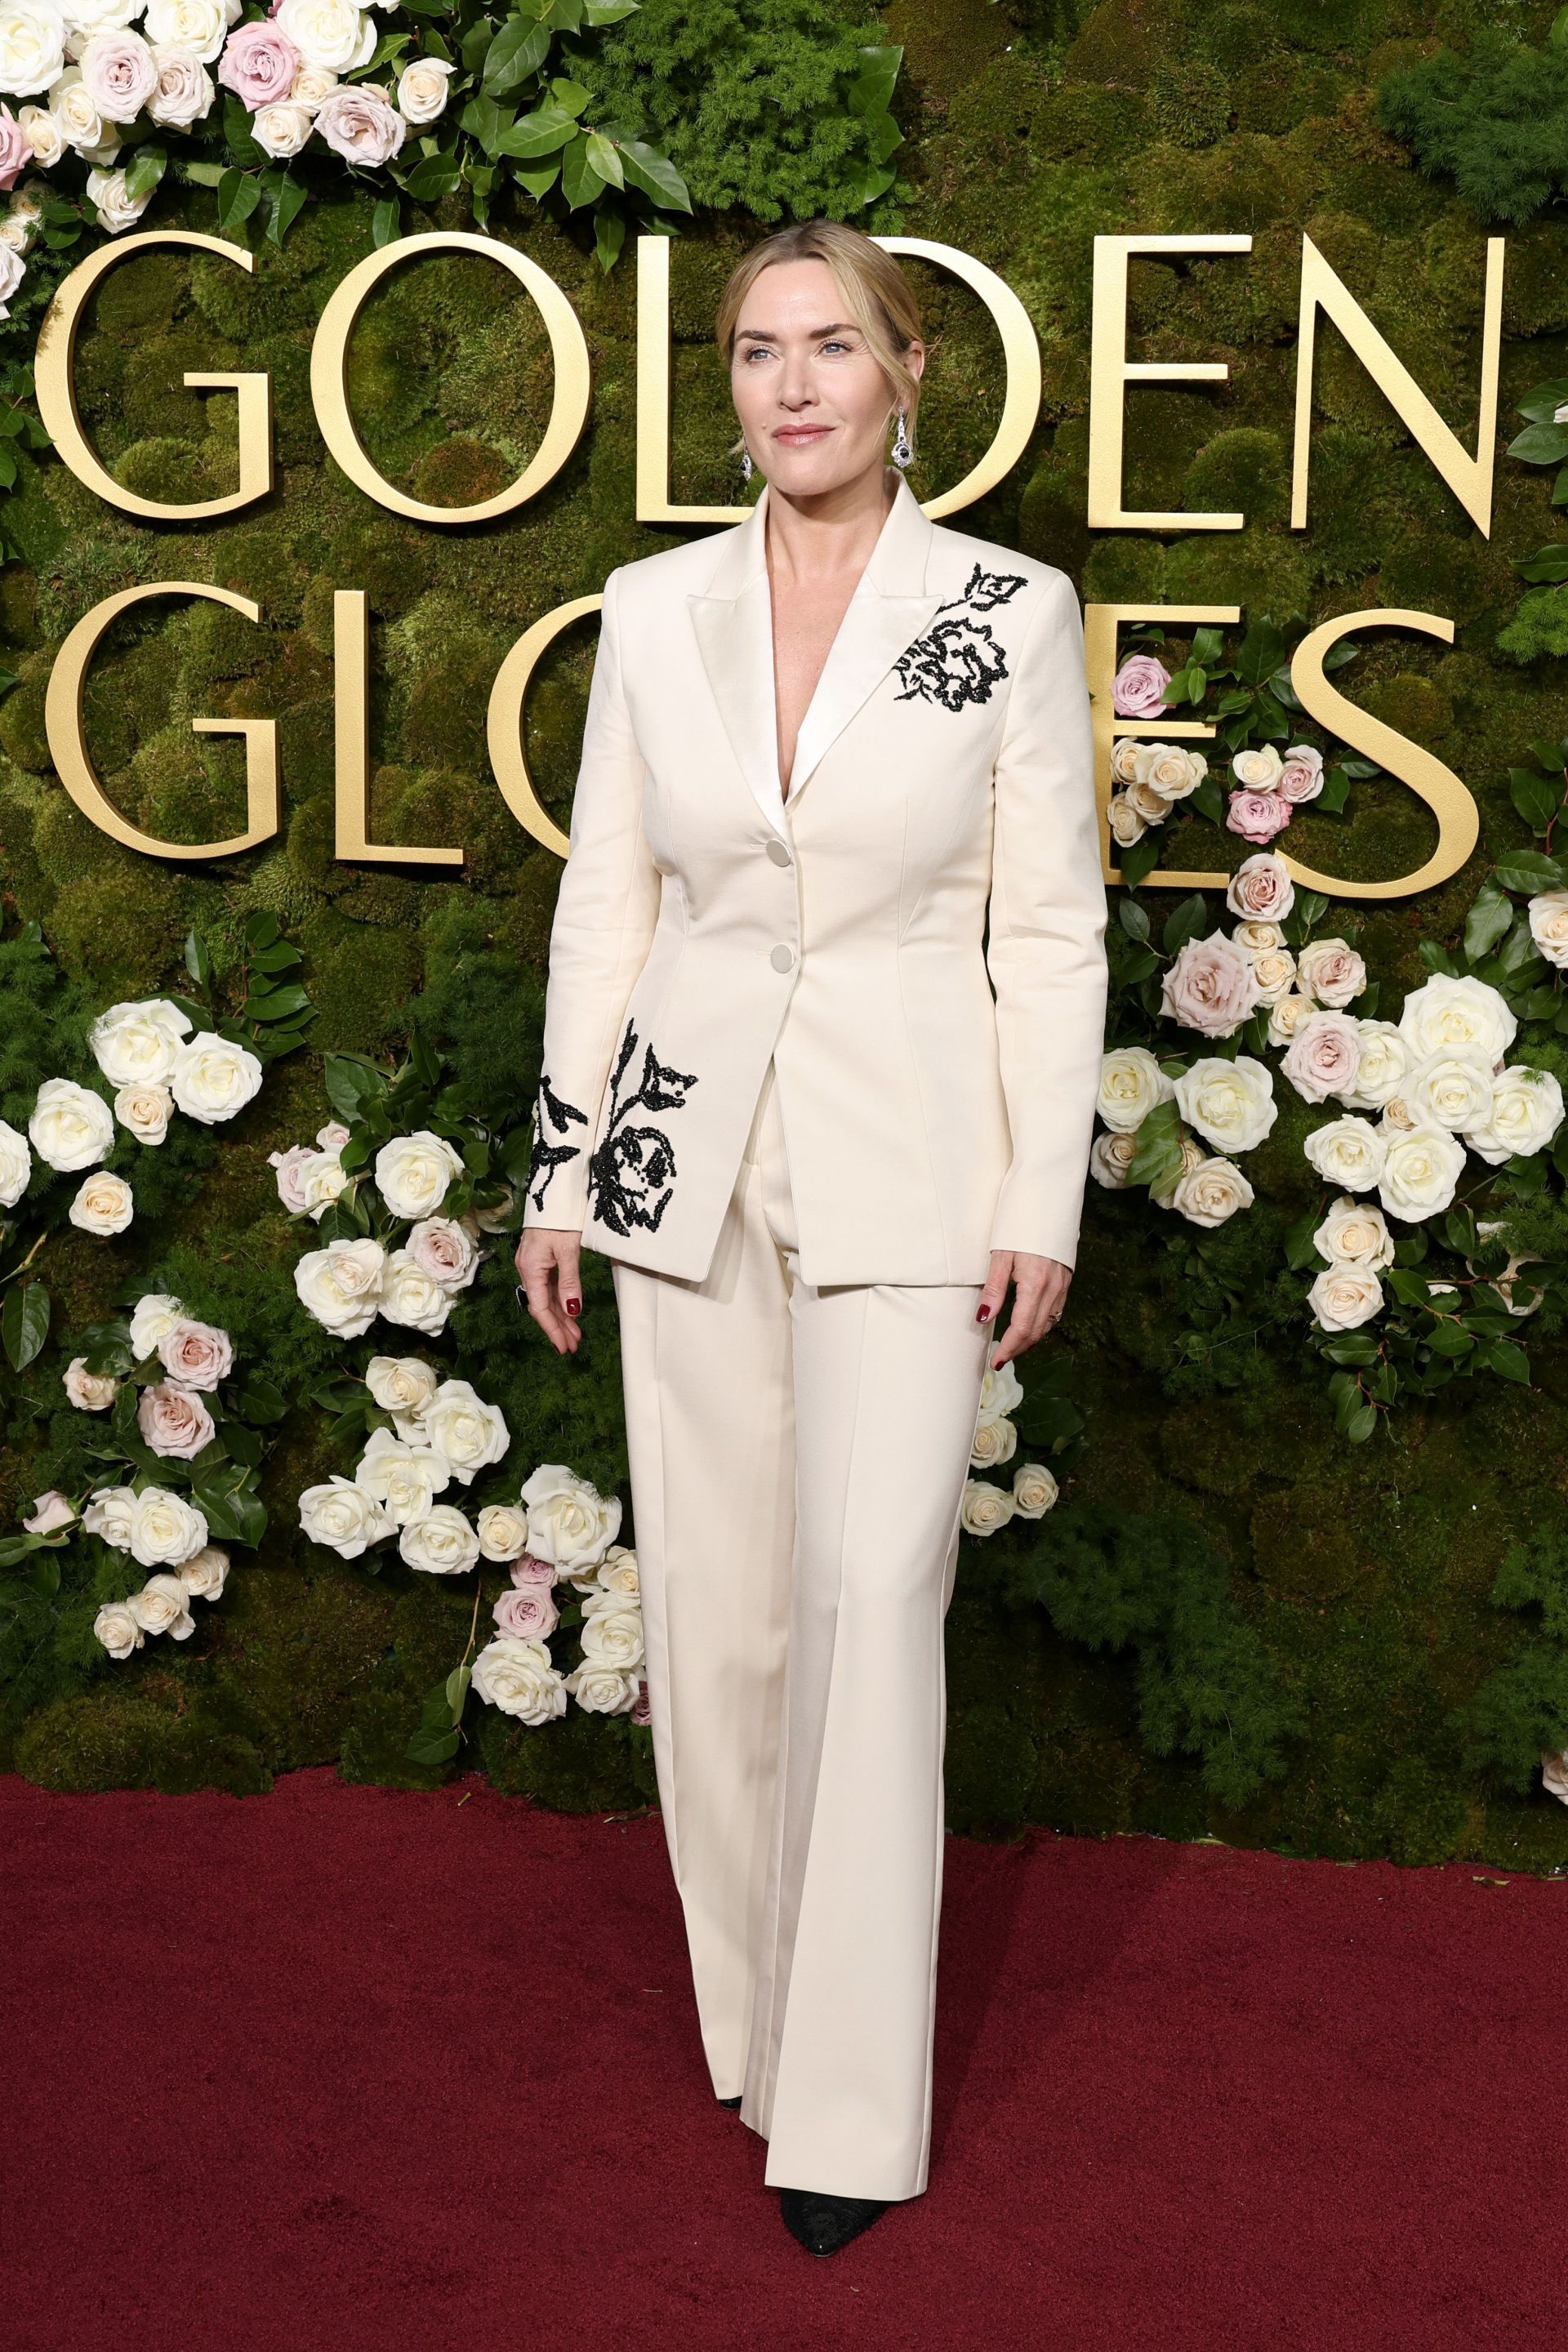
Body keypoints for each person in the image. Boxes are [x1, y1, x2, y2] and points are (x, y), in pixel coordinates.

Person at [516, 219, 1107, 2256]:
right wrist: (564, 1165)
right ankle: (760, 2023)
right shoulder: (653, 606)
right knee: (722, 1613)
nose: (791, 385)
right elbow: (614, 903)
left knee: (874, 1591)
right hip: (682, 1148)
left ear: (905, 370)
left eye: (829, 346)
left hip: (913, 1156)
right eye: (758, 351)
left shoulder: (1001, 612)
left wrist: (1039, 1195)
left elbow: (1047, 925)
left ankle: (852, 2111)